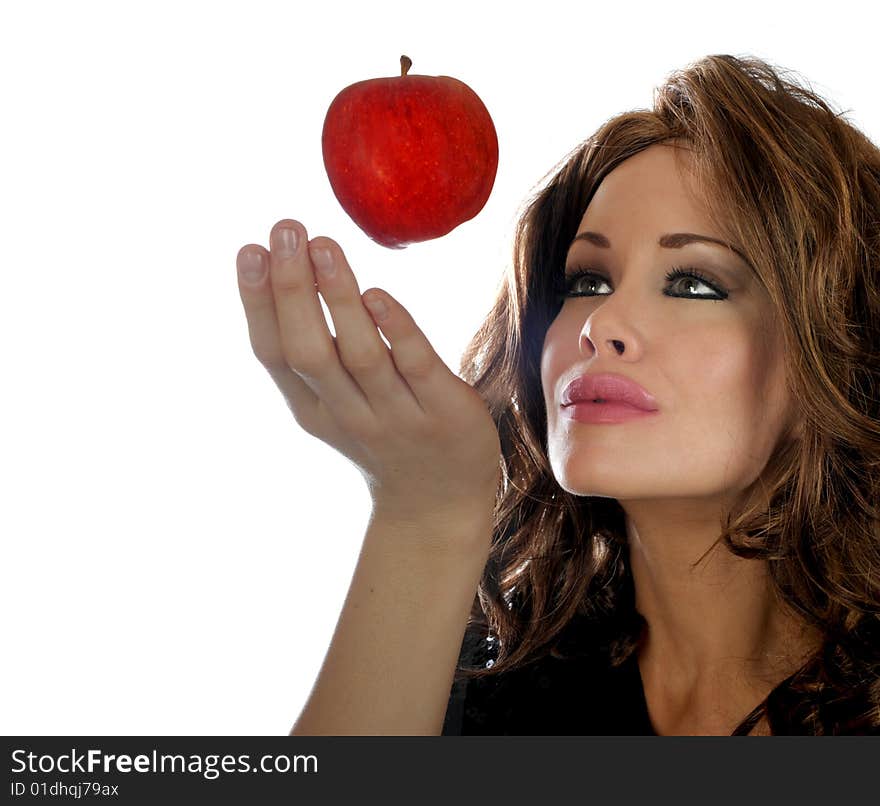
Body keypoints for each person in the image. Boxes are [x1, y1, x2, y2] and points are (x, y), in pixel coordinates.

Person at [235, 54, 880, 735]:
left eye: (694, 284)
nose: (599, 326)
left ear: (844, 341)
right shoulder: (482, 689)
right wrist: (422, 515)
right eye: (587, 282)